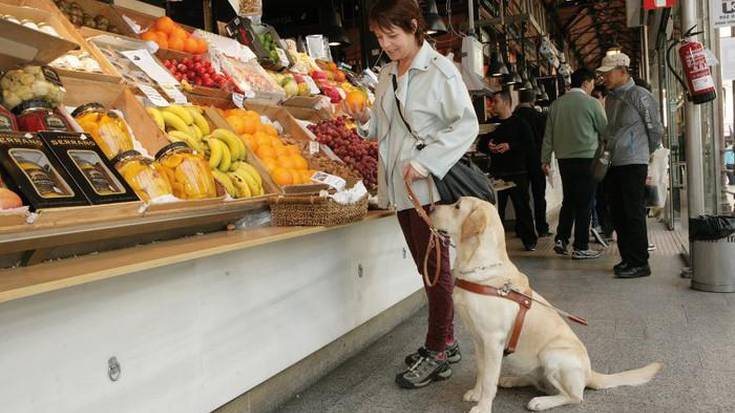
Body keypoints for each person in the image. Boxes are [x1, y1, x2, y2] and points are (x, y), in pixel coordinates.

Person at [347, 0, 478, 389]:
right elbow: (386, 129)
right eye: (380, 37)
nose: (386, 44)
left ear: (414, 27)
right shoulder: (387, 73)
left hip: (429, 190)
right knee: (426, 268)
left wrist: (427, 162)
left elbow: (466, 126)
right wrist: (362, 124)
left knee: (436, 270)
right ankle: (447, 341)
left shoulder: (440, 72)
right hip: (399, 190)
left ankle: (438, 349)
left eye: (393, 35)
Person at [598, 53, 664, 278]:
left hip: (634, 161)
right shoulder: (612, 98)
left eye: (608, 73)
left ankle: (640, 262)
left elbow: (655, 129)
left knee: (633, 212)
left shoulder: (640, 96)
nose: (604, 77)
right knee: (618, 212)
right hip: (614, 162)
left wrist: (646, 152)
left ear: (623, 71)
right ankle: (627, 258)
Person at [541, 69, 607, 259]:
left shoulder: (556, 105)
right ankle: (581, 246)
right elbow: (605, 130)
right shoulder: (592, 103)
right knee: (585, 202)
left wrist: (545, 159)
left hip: (564, 160)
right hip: (588, 158)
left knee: (569, 199)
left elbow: (548, 136)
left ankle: (561, 239)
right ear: (586, 83)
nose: (593, 87)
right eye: (592, 83)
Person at [477, 89, 538, 251]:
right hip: (497, 173)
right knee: (496, 211)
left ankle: (529, 240)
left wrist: (510, 146)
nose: (493, 105)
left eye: (495, 102)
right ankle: (495, 243)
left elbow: (530, 145)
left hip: (518, 173)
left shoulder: (520, 123)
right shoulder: (491, 125)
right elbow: (480, 144)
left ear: (505, 102)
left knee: (523, 208)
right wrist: (488, 146)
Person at [514, 89, 551, 237]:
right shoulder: (540, 116)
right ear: (533, 100)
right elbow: (546, 139)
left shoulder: (515, 117)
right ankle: (542, 228)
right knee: (539, 196)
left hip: (519, 163)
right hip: (537, 160)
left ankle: (521, 228)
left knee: (522, 198)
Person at [590, 85, 613, 241]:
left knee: (607, 196)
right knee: (598, 195)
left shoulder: (610, 113)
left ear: (604, 98)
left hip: (609, 160)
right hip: (597, 161)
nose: (594, 100)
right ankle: (602, 227)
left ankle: (608, 228)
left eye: (596, 97)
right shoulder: (593, 112)